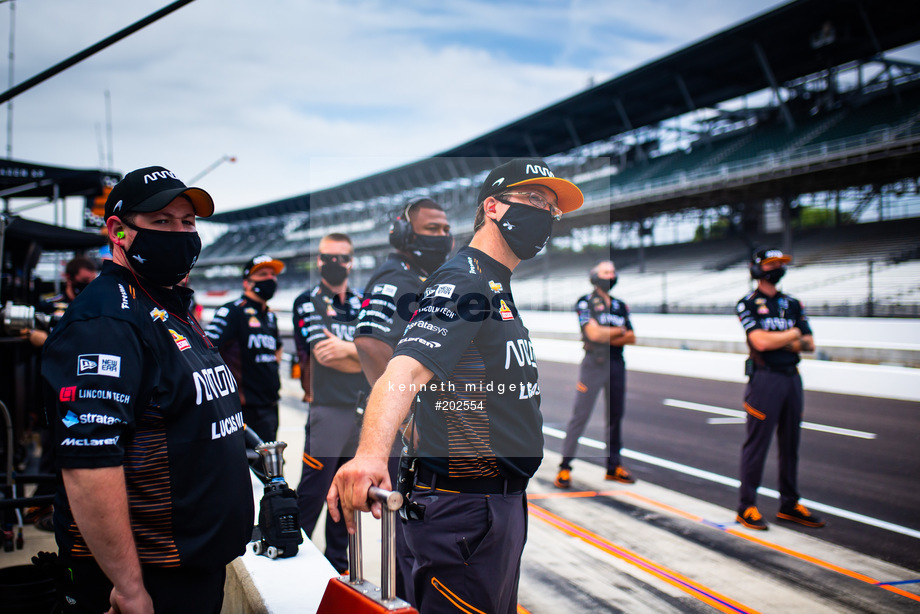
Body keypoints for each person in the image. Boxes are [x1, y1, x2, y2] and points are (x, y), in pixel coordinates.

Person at [328, 158, 583, 614]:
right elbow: (403, 370)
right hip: (467, 511)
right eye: (532, 200)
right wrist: (369, 455)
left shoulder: (493, 282)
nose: (544, 214)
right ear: (492, 206)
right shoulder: (465, 279)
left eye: (551, 207)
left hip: (492, 508)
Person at [40, 166, 254, 613]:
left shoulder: (166, 303)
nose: (180, 233)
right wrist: (129, 585)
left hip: (196, 564)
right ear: (118, 230)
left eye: (188, 222)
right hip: (151, 577)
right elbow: (89, 462)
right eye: (162, 222)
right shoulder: (106, 322)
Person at [354, 196, 452, 602]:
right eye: (432, 229)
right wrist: (406, 415)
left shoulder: (423, 277)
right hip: (405, 435)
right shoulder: (398, 278)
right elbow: (370, 342)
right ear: (404, 233)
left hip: (420, 432)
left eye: (446, 230)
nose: (443, 237)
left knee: (411, 538)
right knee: (412, 538)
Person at [292, 233, 369, 573]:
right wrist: (362, 353)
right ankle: (291, 557)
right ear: (319, 260)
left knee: (349, 495)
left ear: (351, 261)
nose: (334, 263)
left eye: (342, 257)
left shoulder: (363, 301)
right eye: (327, 257)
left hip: (361, 411)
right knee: (313, 493)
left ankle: (339, 567)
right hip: (327, 409)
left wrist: (350, 351)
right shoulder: (306, 301)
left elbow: (383, 352)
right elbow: (324, 355)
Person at [735, 248, 825, 531]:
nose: (777, 267)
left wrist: (781, 340)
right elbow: (760, 342)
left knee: (790, 445)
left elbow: (810, 344)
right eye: (771, 263)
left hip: (791, 378)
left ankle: (789, 504)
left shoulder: (793, 303)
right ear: (758, 269)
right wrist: (792, 334)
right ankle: (746, 505)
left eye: (780, 263)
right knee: (757, 445)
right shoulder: (748, 303)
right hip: (765, 379)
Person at [554, 260, 636, 489]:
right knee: (580, 416)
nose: (610, 275)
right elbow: (592, 334)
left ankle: (613, 467)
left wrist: (607, 333)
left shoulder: (620, 305)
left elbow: (632, 337)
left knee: (616, 416)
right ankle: (564, 467)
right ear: (594, 276)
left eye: (613, 271)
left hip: (617, 363)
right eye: (605, 272)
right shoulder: (585, 302)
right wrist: (618, 331)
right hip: (593, 364)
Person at [205, 254, 285, 442]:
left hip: (270, 406)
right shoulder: (232, 311)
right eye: (263, 274)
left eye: (273, 275)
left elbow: (278, 347)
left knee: (270, 467)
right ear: (247, 283)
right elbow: (207, 350)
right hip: (241, 410)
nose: (270, 279)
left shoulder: (270, 316)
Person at [26, 256, 99, 348]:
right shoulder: (49, 306)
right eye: (85, 280)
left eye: (93, 281)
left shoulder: (98, 306)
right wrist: (33, 333)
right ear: (69, 277)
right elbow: (27, 327)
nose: (90, 285)